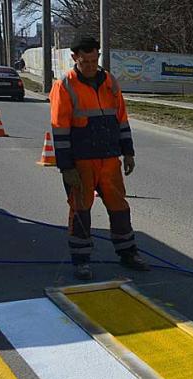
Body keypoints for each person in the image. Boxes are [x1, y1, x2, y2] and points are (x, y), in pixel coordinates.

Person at [50, 36, 148, 281]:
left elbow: (121, 119)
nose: (92, 66)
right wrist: (66, 167)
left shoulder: (110, 83)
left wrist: (128, 152)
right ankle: (81, 260)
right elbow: (59, 129)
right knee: (81, 210)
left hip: (109, 159)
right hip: (81, 162)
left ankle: (128, 253)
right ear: (74, 58)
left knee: (119, 207)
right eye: (86, 61)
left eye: (95, 60)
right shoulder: (64, 86)